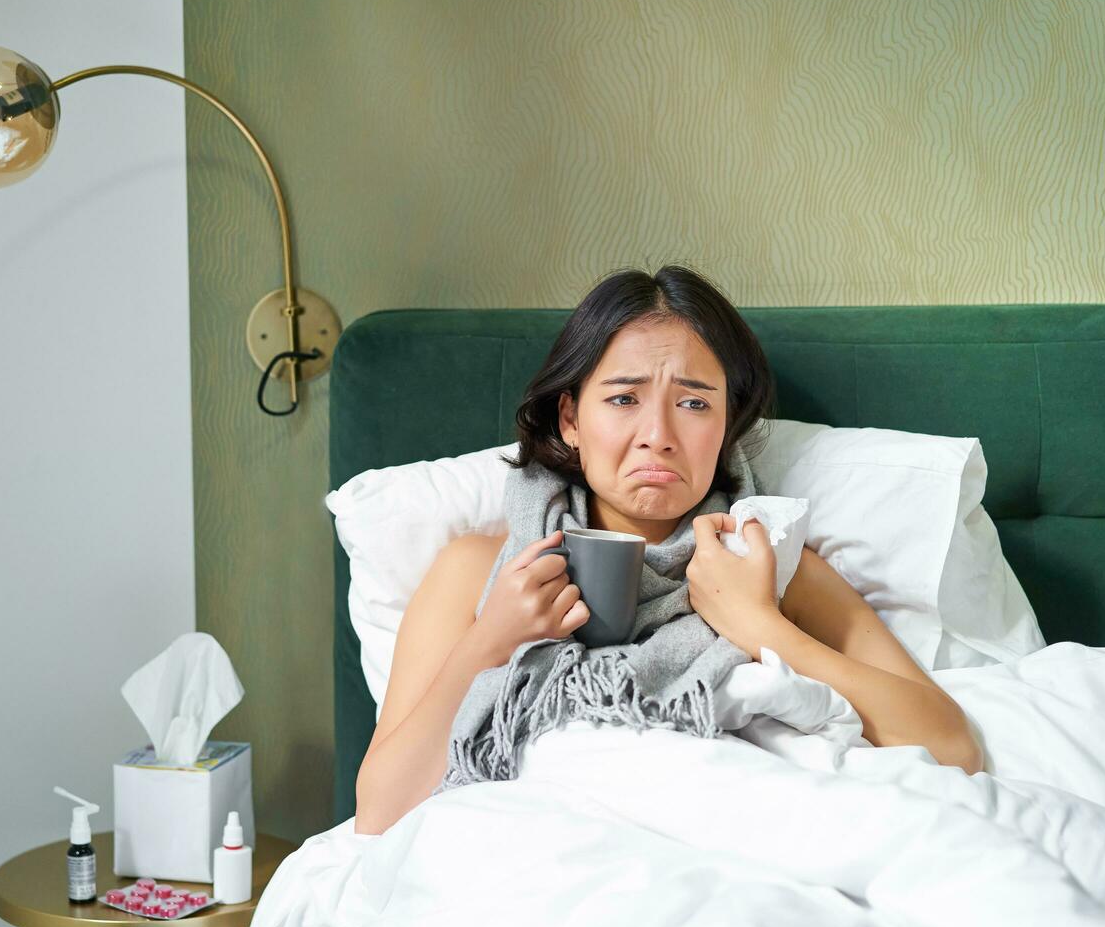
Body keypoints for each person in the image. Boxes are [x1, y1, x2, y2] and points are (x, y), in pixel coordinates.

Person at [353, 265, 982, 836]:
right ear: (570, 419)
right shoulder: (478, 570)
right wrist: (493, 636)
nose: (658, 436)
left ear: (728, 422)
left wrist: (758, 624)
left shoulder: (770, 568)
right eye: (624, 399)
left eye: (693, 403)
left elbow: (950, 744)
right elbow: (380, 813)